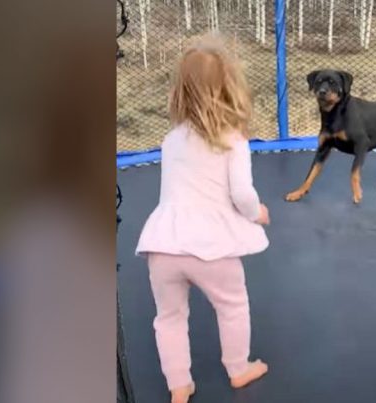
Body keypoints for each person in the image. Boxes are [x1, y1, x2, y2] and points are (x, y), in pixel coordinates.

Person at [135, 34, 270, 403]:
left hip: (163, 245)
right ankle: (238, 369)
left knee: (169, 317)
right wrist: (256, 212)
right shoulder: (233, 140)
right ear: (231, 87)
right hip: (212, 247)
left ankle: (179, 385)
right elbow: (241, 193)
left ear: (180, 90)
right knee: (232, 305)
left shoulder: (171, 140)